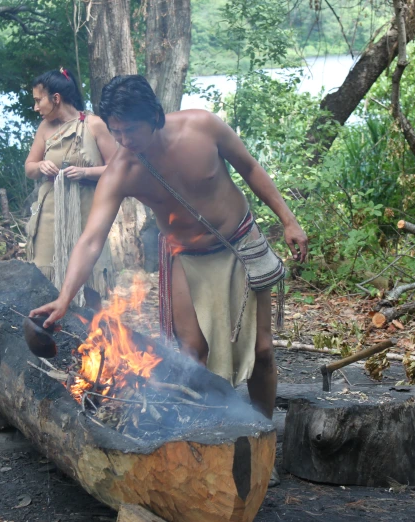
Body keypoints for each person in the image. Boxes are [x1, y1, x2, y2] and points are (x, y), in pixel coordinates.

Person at [30, 75, 308, 485]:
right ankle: (205, 448)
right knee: (191, 355)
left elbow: (249, 167)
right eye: (116, 130)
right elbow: (91, 239)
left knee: (262, 352)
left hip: (237, 246)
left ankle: (262, 444)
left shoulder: (202, 127)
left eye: (131, 129)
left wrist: (289, 220)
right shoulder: (123, 169)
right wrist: (65, 296)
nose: (123, 140)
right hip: (184, 257)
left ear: (155, 117)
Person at [24, 68, 118, 303]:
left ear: (56, 98)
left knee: (89, 277)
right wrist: (41, 166)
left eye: (38, 100)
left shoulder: (94, 124)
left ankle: (93, 333)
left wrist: (86, 171)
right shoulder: (45, 128)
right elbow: (29, 168)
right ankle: (51, 332)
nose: (35, 107)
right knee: (45, 272)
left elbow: (118, 168)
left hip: (88, 210)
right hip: (50, 211)